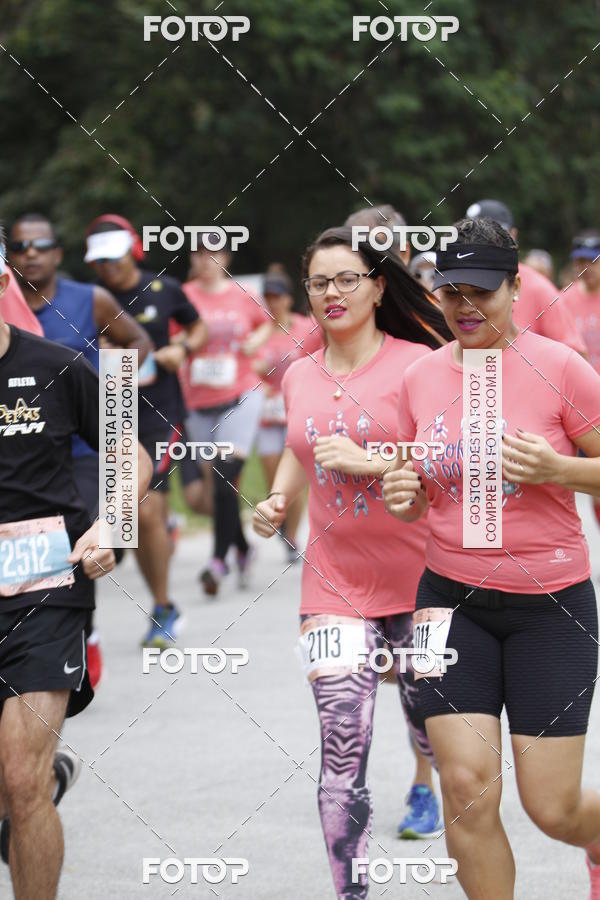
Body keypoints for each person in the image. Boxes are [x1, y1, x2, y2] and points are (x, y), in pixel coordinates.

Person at [383, 216, 600, 899]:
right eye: (451, 292)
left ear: (515, 288)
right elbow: (418, 494)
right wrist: (404, 494)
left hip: (551, 609)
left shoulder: (561, 367)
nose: (465, 306)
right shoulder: (420, 377)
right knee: (467, 788)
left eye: (482, 290)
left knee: (552, 809)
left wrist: (561, 471)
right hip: (448, 601)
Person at [253, 225, 454, 898]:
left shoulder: (420, 365)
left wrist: (371, 461)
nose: (331, 293)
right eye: (319, 282)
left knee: (434, 731)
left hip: (426, 580)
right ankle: (352, 891)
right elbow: (297, 446)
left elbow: (447, 458)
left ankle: (442, 805)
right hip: (334, 582)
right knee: (342, 747)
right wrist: (279, 498)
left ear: (377, 284)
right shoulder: (302, 373)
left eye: (346, 279)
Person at [0, 225, 153, 898]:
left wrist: (110, 528)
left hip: (44, 591)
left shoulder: (57, 363)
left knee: (21, 781)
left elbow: (135, 452)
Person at [7, 212, 152, 685]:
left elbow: (135, 342)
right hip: (24, 451)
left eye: (41, 245)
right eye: (21, 246)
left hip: (86, 450)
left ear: (57, 253)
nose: (31, 253)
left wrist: (115, 395)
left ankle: (77, 633)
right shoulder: (10, 308)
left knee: (91, 540)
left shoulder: (88, 299)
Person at [343, 204, 445, 838]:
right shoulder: (337, 317)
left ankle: (424, 785)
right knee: (374, 665)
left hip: (426, 525)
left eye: (384, 248)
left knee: (419, 670)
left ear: (404, 253)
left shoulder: (435, 321)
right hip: (354, 536)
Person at [85, 215, 207, 646]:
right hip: (111, 413)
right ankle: (85, 624)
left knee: (143, 509)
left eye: (114, 258)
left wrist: (183, 348)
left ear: (133, 250)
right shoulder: (88, 300)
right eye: (99, 261)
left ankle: (162, 608)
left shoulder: (164, 288)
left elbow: (198, 326)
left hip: (161, 413)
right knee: (123, 519)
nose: (108, 267)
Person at [178, 237, 271, 595]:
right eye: (199, 253)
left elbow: (265, 323)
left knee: (222, 477)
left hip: (241, 395)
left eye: (213, 253)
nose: (205, 260)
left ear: (225, 257)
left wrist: (255, 341)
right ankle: (244, 549)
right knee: (220, 490)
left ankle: (218, 562)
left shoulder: (244, 292)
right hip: (198, 402)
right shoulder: (182, 294)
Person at [251, 268, 322, 562]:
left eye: (277, 296)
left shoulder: (307, 329)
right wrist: (259, 386)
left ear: (288, 298)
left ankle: (291, 536)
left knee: (297, 478)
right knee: (274, 477)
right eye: (268, 297)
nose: (273, 302)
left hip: (298, 412)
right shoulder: (260, 332)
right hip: (269, 414)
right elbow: (246, 365)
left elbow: (322, 361)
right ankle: (283, 525)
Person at [466, 199, 587, 354]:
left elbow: (576, 353)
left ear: (513, 235)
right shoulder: (455, 286)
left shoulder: (537, 287)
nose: (483, 242)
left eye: (492, 233)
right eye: (473, 235)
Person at [564, 230, 600, 531]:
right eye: (579, 262)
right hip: (578, 405)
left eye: (592, 262)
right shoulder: (563, 300)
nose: (585, 269)